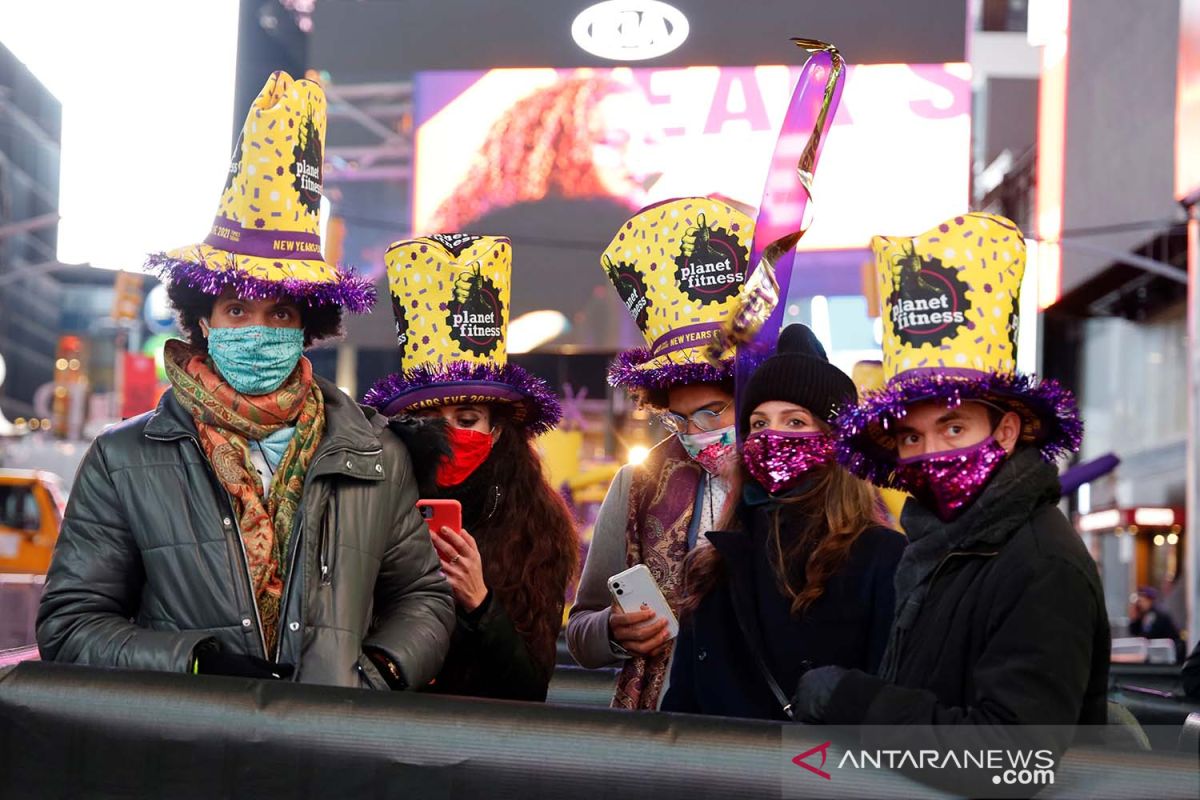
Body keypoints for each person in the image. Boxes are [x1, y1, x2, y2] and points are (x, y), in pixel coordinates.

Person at [37, 71, 454, 689]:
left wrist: (381, 673)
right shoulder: (120, 460)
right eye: (237, 310)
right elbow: (71, 626)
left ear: (304, 324)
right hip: (189, 754)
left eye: (279, 312)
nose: (257, 329)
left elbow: (425, 595)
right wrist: (194, 661)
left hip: (333, 756)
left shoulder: (374, 455)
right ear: (203, 319)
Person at [795, 214, 1108, 738]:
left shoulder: (1041, 564)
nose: (931, 452)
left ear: (1005, 432)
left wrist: (856, 701)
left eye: (954, 427)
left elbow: (1011, 755)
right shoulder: (939, 545)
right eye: (912, 438)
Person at [363, 234, 578, 701]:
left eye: (466, 420)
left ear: (497, 430)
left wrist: (481, 603)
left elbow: (530, 686)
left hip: (480, 748)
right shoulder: (365, 499)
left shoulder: (537, 527)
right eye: (426, 421)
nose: (446, 436)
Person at [660, 324, 906, 720]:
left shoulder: (882, 559)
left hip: (816, 774)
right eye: (758, 423)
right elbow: (682, 707)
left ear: (834, 439)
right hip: (719, 774)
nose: (772, 435)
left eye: (794, 422)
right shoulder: (715, 563)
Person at [567, 197, 754, 710]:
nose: (697, 433)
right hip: (661, 725)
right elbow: (581, 627)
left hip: (767, 733)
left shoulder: (802, 478)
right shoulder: (639, 482)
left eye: (714, 412)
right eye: (680, 418)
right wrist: (613, 631)